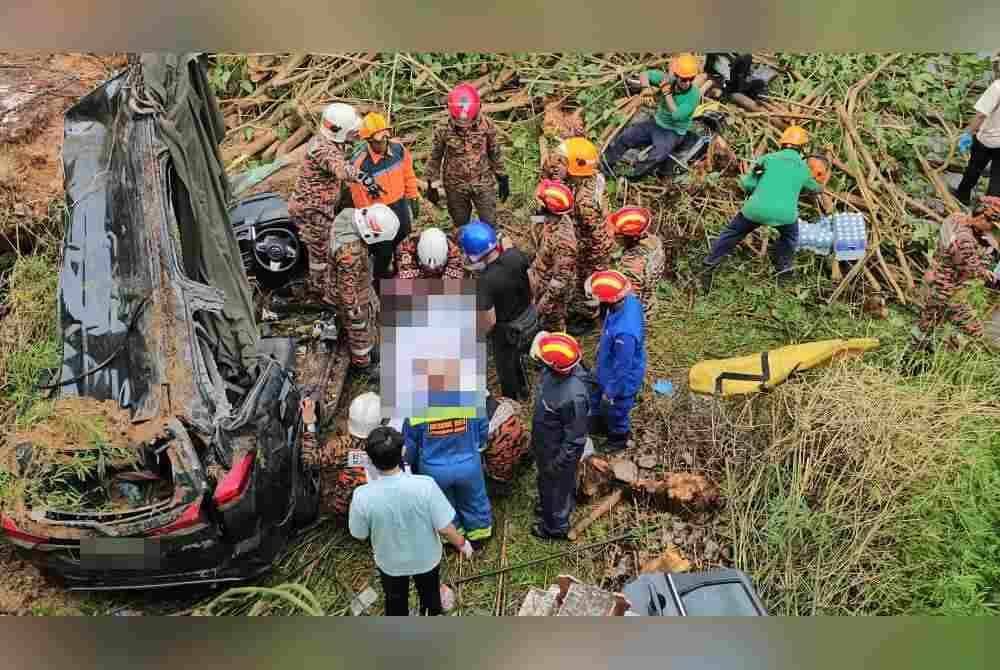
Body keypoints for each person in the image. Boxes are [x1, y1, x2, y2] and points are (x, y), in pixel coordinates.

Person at [349, 426, 473, 616]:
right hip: (426, 559)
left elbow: (359, 534)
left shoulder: (362, 496)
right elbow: (445, 528)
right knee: (430, 596)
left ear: (370, 461)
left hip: (390, 563)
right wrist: (462, 544)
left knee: (395, 601)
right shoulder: (425, 485)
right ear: (403, 452)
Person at [700, 125, 823, 290]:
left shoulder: (767, 159)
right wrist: (820, 180)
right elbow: (815, 188)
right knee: (790, 238)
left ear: (782, 143)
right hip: (784, 215)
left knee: (732, 233)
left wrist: (746, 179)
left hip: (756, 210)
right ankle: (783, 272)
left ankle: (708, 266)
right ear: (802, 148)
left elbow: (749, 184)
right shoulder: (803, 168)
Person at [288, 103, 383, 303]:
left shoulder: (331, 141)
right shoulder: (323, 149)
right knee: (321, 253)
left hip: (322, 205)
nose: (354, 134)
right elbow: (340, 168)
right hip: (312, 210)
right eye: (350, 131)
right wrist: (364, 179)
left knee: (323, 247)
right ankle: (321, 294)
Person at [459, 220, 534, 401]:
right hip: (528, 318)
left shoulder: (484, 283)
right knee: (518, 356)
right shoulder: (515, 255)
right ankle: (524, 388)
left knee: (506, 367)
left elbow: (490, 320)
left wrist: (480, 333)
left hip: (506, 331)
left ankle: (512, 399)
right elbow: (533, 280)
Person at [528, 331, 591, 540]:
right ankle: (556, 505)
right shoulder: (553, 374)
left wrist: (557, 464)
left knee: (556, 486)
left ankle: (555, 526)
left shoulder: (574, 397)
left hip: (556, 453)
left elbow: (575, 440)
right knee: (553, 486)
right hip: (546, 444)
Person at [546, 138, 611, 335]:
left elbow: (596, 235)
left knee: (589, 282)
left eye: (563, 162)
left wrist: (590, 258)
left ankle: (590, 317)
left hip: (593, 247)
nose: (559, 165)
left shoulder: (585, 203)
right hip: (590, 234)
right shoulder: (594, 175)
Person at [600, 54, 702, 180]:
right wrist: (646, 88)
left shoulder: (694, 95)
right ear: (676, 76)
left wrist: (666, 93)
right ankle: (606, 165)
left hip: (673, 131)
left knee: (657, 156)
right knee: (627, 136)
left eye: (691, 79)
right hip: (656, 122)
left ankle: (632, 176)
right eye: (684, 79)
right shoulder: (668, 79)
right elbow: (644, 74)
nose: (687, 83)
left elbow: (677, 115)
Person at [915, 195, 1000, 344]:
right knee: (975, 330)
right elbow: (971, 267)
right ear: (981, 217)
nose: (991, 230)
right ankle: (946, 346)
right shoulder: (965, 239)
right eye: (991, 226)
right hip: (945, 290)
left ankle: (917, 355)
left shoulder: (957, 219)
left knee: (927, 327)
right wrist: (985, 272)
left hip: (938, 283)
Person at [326, 204, 400, 372]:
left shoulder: (347, 215)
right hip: (352, 296)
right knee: (360, 333)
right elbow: (346, 289)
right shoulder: (351, 254)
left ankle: (375, 339)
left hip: (361, 282)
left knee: (375, 310)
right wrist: (355, 314)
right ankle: (363, 364)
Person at [402, 408, 493, 545]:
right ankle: (480, 533)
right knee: (475, 499)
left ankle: (453, 535)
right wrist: (478, 445)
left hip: (434, 471)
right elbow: (483, 429)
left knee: (444, 505)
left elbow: (409, 446)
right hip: (468, 465)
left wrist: (411, 463)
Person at [424, 83, 509, 228]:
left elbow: (494, 151)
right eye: (461, 123)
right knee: (460, 224)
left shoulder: (487, 125)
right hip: (455, 185)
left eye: (469, 122)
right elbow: (435, 156)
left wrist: (502, 177)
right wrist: (431, 184)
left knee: (489, 222)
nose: (465, 126)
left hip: (483, 182)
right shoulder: (443, 128)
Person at [348, 112, 420, 283]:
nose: (383, 144)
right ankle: (379, 281)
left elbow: (408, 174)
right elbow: (358, 197)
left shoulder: (398, 150)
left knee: (403, 243)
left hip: (400, 205)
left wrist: (413, 195)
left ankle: (403, 275)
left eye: (385, 139)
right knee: (383, 251)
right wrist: (368, 220)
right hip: (378, 214)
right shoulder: (360, 164)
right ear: (368, 141)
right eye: (378, 141)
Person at [586, 270, 646, 454]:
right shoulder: (626, 301)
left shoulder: (625, 333)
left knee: (616, 411)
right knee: (595, 394)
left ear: (608, 300)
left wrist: (612, 391)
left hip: (620, 380)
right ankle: (596, 422)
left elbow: (623, 367)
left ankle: (618, 438)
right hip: (607, 366)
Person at [299, 392, 381, 518]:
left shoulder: (339, 447)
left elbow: (309, 460)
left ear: (350, 417)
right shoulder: (390, 446)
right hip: (376, 509)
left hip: (346, 511)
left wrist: (310, 424)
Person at [528, 179, 578, 333]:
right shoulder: (553, 219)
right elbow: (538, 223)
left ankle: (556, 345)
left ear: (547, 210)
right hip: (541, 276)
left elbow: (560, 280)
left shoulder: (563, 242)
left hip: (553, 291)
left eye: (540, 204)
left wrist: (544, 304)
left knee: (553, 322)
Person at [951, 65, 1000, 206]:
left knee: (974, 168)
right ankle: (991, 212)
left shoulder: (997, 87)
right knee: (997, 180)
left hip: (987, 139)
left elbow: (980, 115)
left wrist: (968, 133)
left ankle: (962, 196)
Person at [610, 206, 665, 320]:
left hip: (638, 312)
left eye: (618, 235)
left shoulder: (631, 264)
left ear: (630, 238)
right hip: (649, 297)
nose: (615, 236)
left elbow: (630, 298)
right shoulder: (654, 241)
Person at [481, 393, 530, 496]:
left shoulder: (473, 425)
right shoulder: (505, 402)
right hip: (525, 449)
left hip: (501, 474)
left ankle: (500, 487)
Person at [394, 227, 466, 280]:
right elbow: (407, 276)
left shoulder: (455, 250)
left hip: (443, 274)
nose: (431, 267)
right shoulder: (405, 248)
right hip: (418, 272)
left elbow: (453, 276)